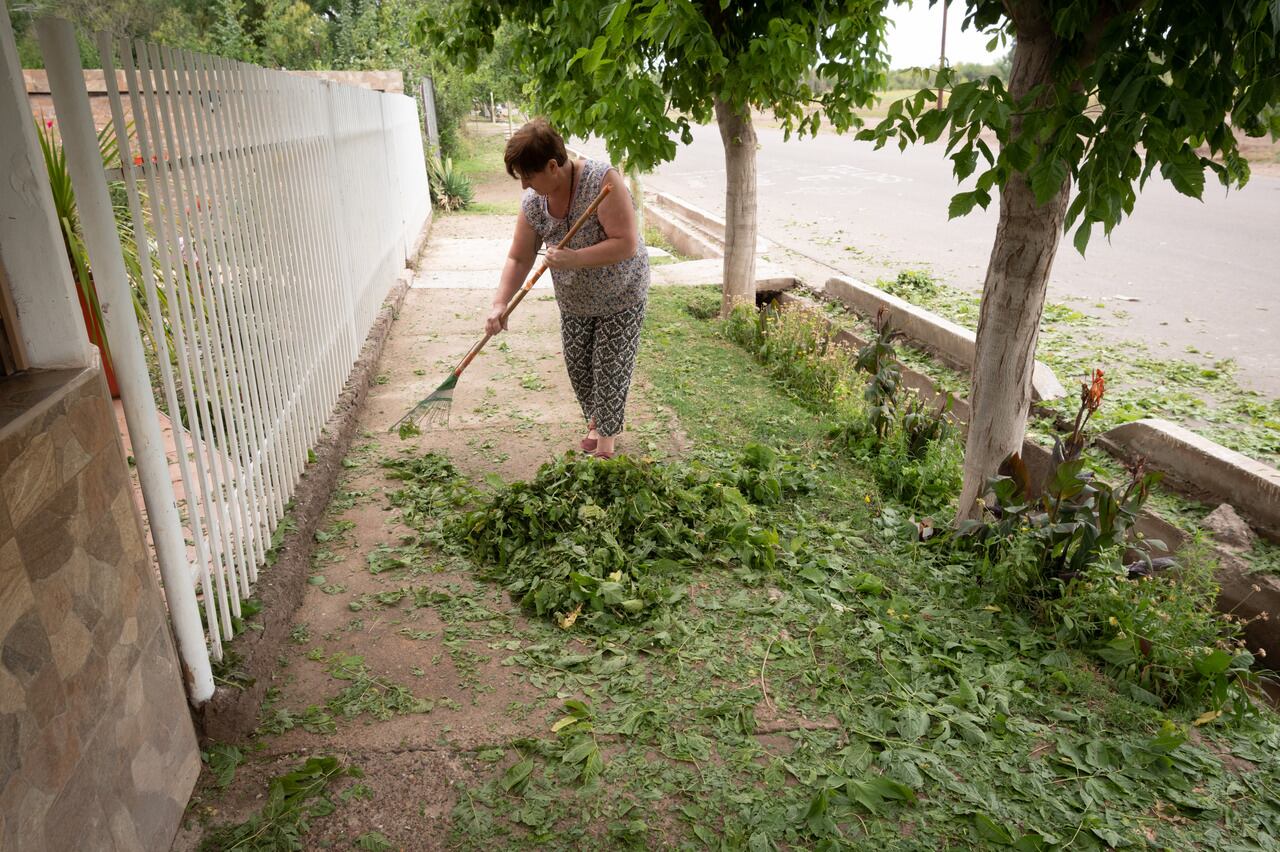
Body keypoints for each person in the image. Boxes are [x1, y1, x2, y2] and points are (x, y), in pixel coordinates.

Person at [485, 119, 650, 459]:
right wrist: (499, 303)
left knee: (609, 365)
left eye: (528, 177)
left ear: (552, 166)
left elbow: (626, 243)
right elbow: (519, 257)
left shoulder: (602, 182)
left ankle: (605, 447)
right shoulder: (534, 202)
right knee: (579, 366)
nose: (524, 186)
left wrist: (574, 258)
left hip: (622, 293)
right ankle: (596, 420)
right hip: (575, 300)